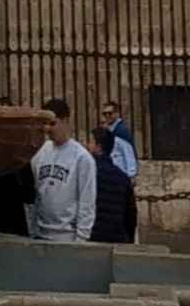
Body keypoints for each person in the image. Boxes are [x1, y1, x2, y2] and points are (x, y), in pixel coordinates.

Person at [29, 99, 97, 244]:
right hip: (40, 233)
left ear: (65, 121)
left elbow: (87, 201)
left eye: (53, 123)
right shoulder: (40, 152)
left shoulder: (82, 158)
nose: (47, 129)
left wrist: (81, 238)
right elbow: (35, 194)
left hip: (67, 237)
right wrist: (33, 230)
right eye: (45, 124)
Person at [92, 106, 139, 248]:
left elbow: (129, 155)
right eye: (104, 113)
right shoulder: (112, 132)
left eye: (109, 113)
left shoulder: (121, 132)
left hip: (120, 177)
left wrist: (130, 175)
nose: (107, 116)